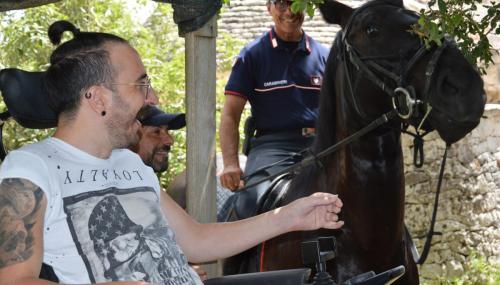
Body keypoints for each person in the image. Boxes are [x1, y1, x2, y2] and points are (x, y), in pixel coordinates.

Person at [0, 20, 344, 285]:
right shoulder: (31, 167)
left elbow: (196, 240)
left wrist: (290, 216)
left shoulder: (129, 164)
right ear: (98, 98)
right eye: (141, 84)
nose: (152, 99)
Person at [219, 0, 330, 218]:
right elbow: (229, 115)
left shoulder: (325, 56)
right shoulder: (252, 55)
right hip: (272, 147)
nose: (290, 11)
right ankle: (240, 258)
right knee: (250, 203)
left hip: (320, 146)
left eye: (298, 2)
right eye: (283, 3)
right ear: (269, 7)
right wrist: (230, 163)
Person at [129, 106, 207, 281]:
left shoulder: (147, 185)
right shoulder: (121, 192)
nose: (169, 140)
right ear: (132, 134)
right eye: (156, 131)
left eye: (167, 132)